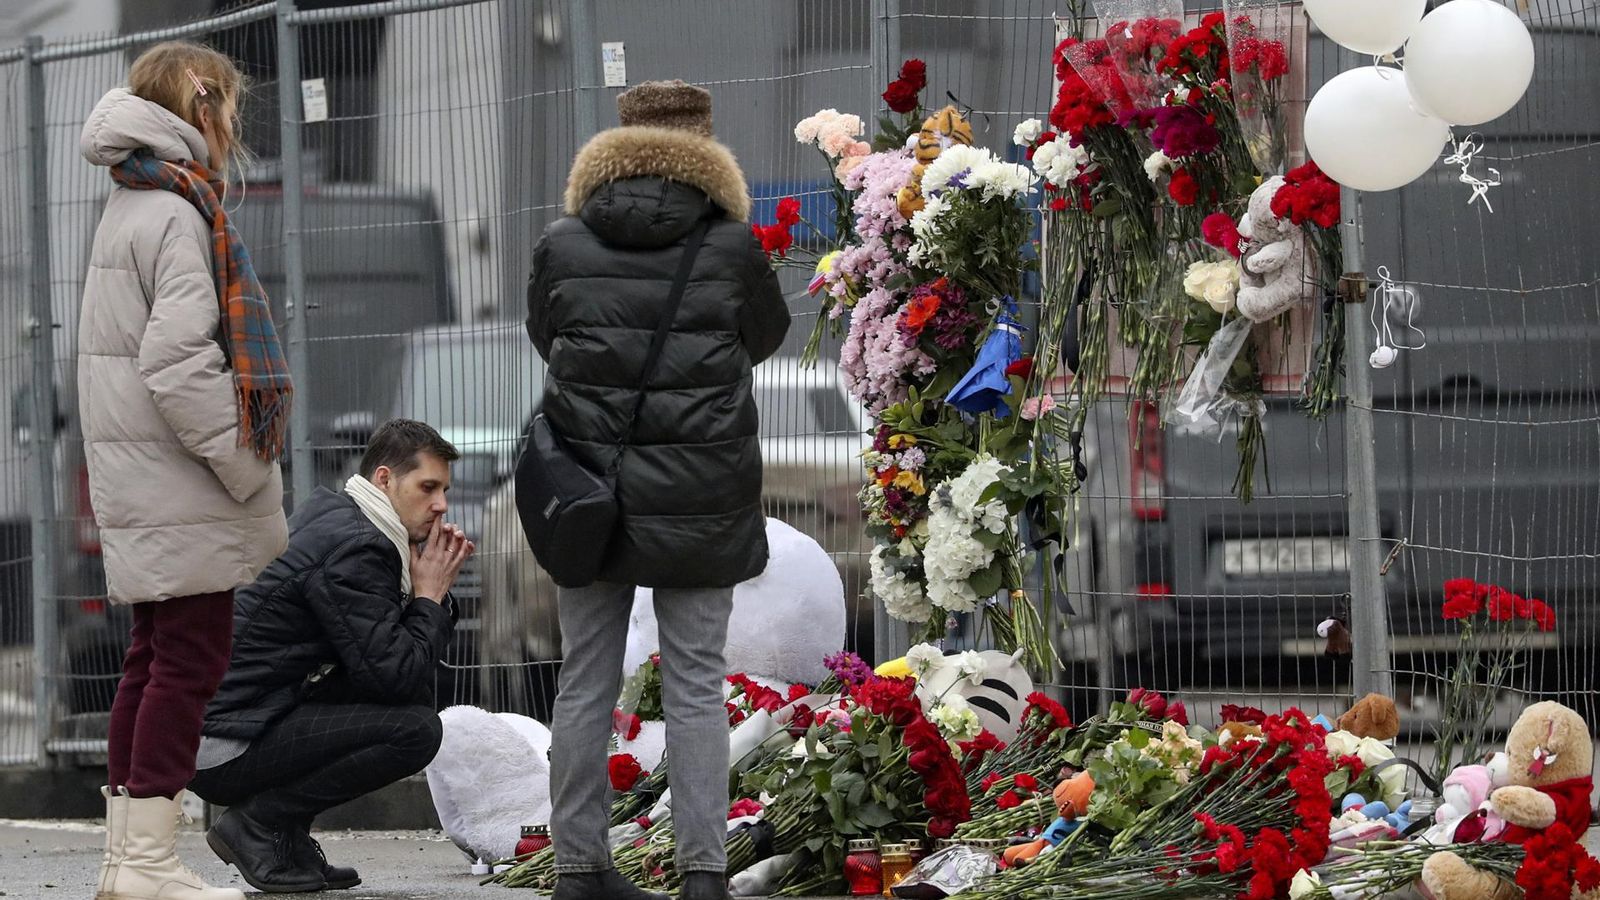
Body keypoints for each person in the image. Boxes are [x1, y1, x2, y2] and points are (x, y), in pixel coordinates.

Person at [527, 80, 791, 900]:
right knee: (696, 688)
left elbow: (548, 337)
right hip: (701, 493)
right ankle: (703, 876)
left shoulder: (563, 243)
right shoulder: (732, 246)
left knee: (585, 682)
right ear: (706, 147)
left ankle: (578, 870)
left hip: (588, 495)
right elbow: (767, 336)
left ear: (620, 140)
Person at [79, 40, 291, 900]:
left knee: (152, 660)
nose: (236, 123)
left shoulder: (133, 200)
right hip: (181, 477)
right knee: (188, 663)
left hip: (145, 473)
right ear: (203, 107)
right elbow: (176, 362)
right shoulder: (175, 211)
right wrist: (244, 462)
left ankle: (128, 860)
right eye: (232, 104)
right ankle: (150, 865)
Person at [188, 419, 474, 893]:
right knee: (415, 731)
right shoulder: (357, 547)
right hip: (224, 743)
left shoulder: (346, 518)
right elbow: (393, 674)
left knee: (409, 704)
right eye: (428, 487)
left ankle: (286, 836)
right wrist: (427, 597)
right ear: (385, 479)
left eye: (444, 489)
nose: (441, 504)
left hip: (243, 718)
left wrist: (428, 598)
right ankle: (259, 826)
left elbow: (383, 664)